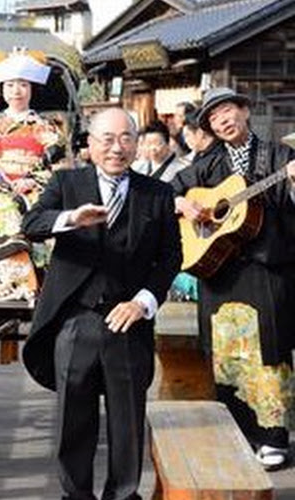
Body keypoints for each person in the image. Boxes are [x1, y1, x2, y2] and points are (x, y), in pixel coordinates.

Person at [22, 108, 181, 499]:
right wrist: (72, 218)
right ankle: (75, 494)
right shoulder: (67, 182)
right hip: (77, 317)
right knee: (73, 420)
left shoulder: (156, 193)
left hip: (129, 319)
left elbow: (170, 257)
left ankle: (124, 494)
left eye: (126, 138)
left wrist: (143, 303)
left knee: (127, 421)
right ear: (90, 145)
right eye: (107, 139)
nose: (116, 148)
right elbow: (32, 223)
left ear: (136, 143)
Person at [170, 87, 295, 470]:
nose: (222, 121)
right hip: (219, 269)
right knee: (225, 353)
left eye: (227, 111)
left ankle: (274, 436)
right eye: (213, 118)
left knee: (269, 352)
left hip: (266, 267)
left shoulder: (279, 156)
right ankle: (238, 432)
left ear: (245, 111)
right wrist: (182, 203)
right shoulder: (207, 164)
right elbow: (170, 192)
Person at [0, 52, 64, 302]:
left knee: (17, 209)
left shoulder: (49, 127)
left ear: (32, 89)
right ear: (1, 90)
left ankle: (27, 281)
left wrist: (33, 181)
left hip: (34, 187)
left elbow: (58, 166)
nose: (16, 91)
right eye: (10, 85)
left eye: (23, 85)